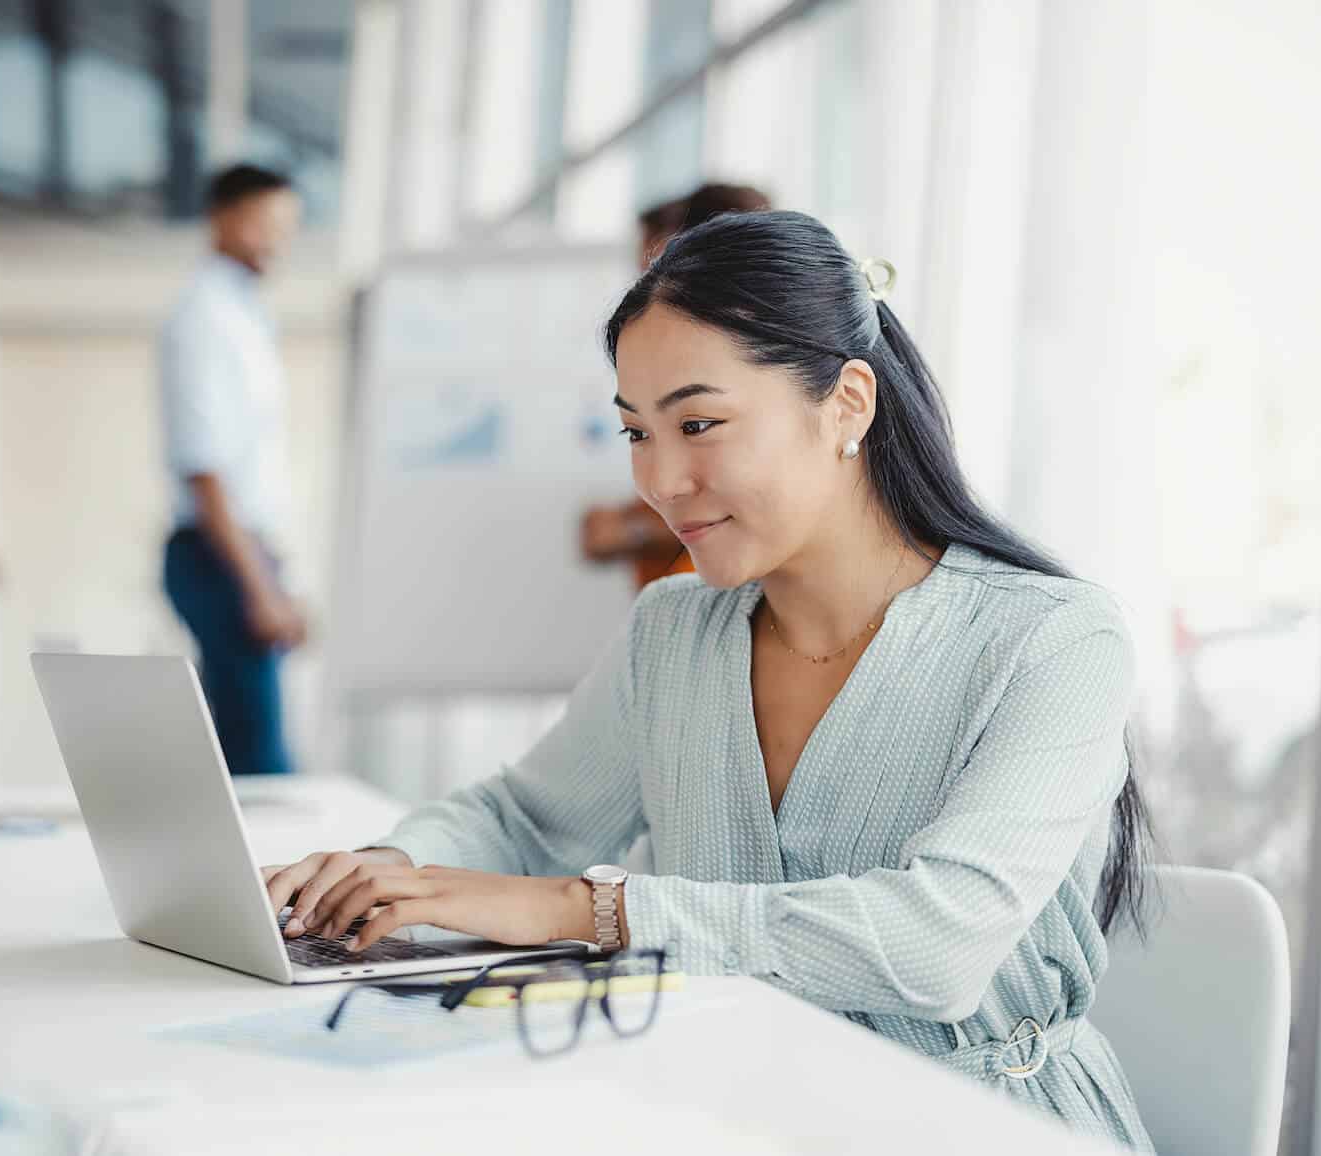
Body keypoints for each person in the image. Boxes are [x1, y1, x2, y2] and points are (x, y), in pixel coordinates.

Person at [264, 211, 1156, 1150]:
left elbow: (938, 944)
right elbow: (526, 819)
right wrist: (391, 870)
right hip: (737, 1114)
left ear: (847, 403)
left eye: (699, 424)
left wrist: (590, 909)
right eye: (635, 433)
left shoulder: (1053, 640)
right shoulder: (674, 630)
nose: (661, 480)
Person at [160, 164, 304, 776]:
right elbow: (208, 470)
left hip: (242, 555)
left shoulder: (243, 315)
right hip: (220, 556)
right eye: (263, 222)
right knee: (259, 764)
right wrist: (260, 588)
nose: (277, 240)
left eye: (287, 227)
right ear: (222, 218)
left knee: (243, 753)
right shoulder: (205, 319)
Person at [580, 182, 771, 589]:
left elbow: (755, 498)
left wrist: (631, 531)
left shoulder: (754, 366)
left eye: (655, 269)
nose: (647, 294)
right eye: (635, 432)